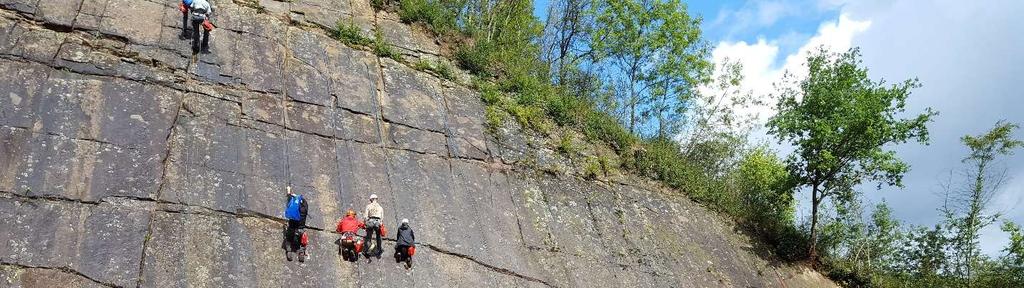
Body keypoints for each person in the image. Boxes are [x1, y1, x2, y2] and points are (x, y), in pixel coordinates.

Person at [283, 186, 308, 262]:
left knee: (288, 239)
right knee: (303, 241)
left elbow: (290, 198)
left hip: (292, 228)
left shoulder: (293, 210)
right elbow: (301, 200)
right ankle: (301, 253)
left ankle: (289, 251)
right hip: (300, 229)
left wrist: (289, 191)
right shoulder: (305, 209)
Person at [362, 194, 384, 259]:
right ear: (376, 199)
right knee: (378, 236)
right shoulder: (380, 207)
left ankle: (369, 250)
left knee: (368, 237)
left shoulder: (368, 206)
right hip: (377, 222)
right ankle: (379, 250)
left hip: (370, 221)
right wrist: (380, 223)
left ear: (371, 199)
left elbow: (366, 216)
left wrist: (366, 223)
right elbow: (382, 218)